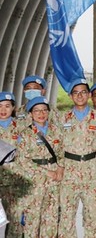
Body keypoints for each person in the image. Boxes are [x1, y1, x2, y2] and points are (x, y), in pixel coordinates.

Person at [57, 79, 96, 238]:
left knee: (92, 217)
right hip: (68, 174)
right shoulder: (61, 119)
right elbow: (57, 146)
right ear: (70, 96)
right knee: (66, 218)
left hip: (91, 173)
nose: (80, 95)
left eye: (83, 92)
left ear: (89, 95)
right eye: (76, 92)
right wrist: (59, 167)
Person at [15, 96, 63, 237]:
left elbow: (62, 152)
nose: (41, 114)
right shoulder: (25, 134)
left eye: (44, 110)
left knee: (51, 218)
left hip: (54, 181)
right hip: (35, 181)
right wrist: (46, 172)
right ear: (30, 114)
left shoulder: (57, 130)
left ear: (48, 112)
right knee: (32, 219)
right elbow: (22, 161)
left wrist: (60, 168)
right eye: (36, 111)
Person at [0, 92, 27, 237]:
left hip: (16, 183)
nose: (3, 110)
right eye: (0, 106)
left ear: (13, 108)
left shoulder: (22, 128)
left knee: (16, 222)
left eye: (7, 106)